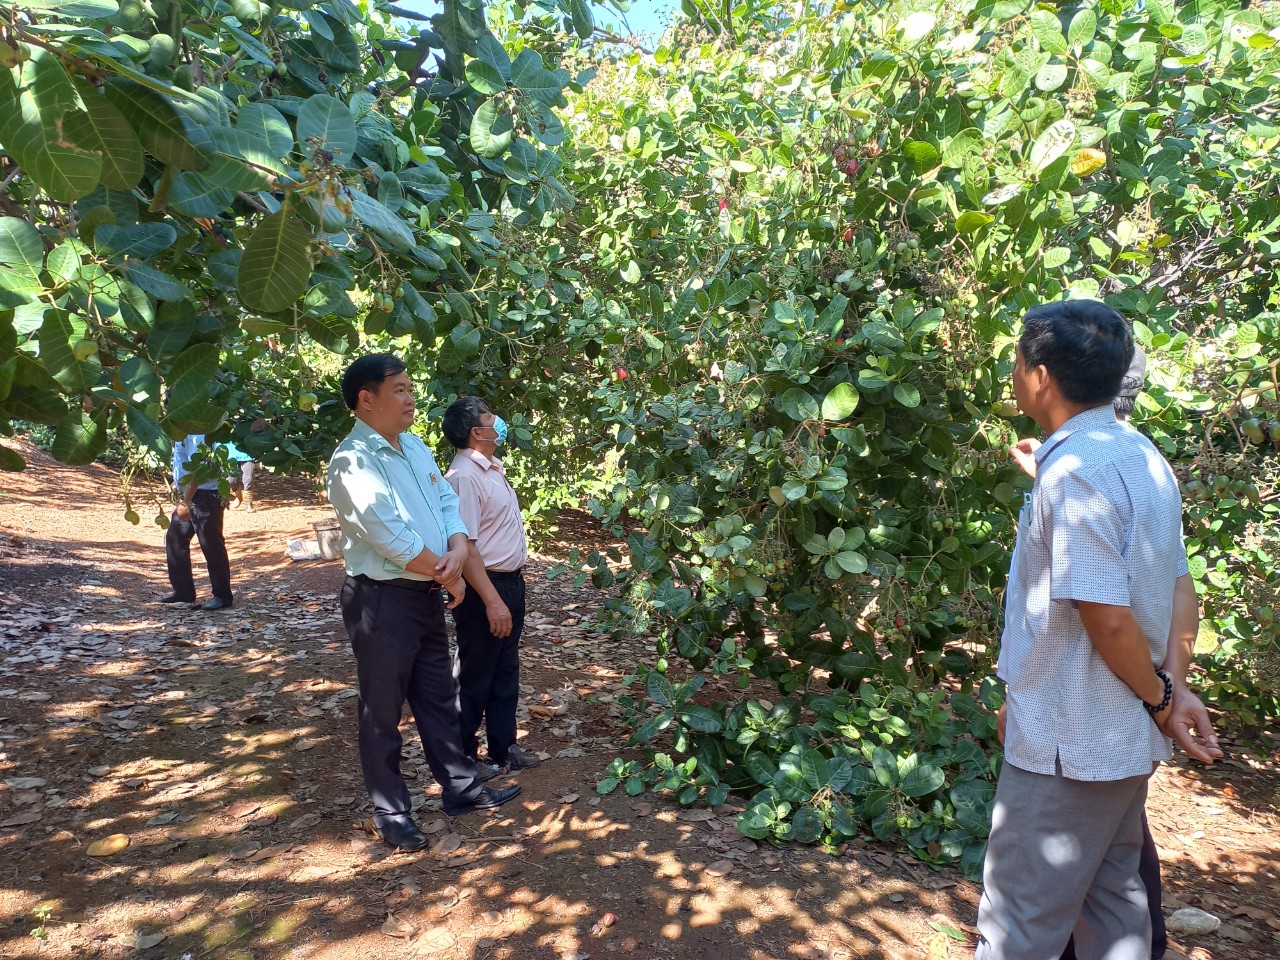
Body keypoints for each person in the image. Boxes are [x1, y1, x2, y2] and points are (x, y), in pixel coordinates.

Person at [976, 301, 1220, 960]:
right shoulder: (1140, 457)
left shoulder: (1076, 472)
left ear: (1042, 377)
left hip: (1069, 741)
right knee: (1115, 905)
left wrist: (1163, 700)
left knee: (1019, 919)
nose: (1016, 370)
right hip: (1120, 743)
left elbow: (1106, 619)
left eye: (1019, 360)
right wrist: (1171, 690)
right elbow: (1178, 588)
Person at [326, 354, 520, 851]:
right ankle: (392, 813)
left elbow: (445, 504)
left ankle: (461, 789)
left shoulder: (413, 447)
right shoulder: (352, 460)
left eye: (411, 388)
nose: (411, 398)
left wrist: (457, 548)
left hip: (425, 592)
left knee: (436, 698)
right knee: (383, 710)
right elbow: (386, 533)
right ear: (366, 399)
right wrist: (448, 573)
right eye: (399, 390)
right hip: (382, 600)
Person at [442, 397, 541, 774]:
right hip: (486, 588)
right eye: (489, 417)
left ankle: (504, 747)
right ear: (475, 431)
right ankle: (462, 756)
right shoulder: (464, 477)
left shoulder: (490, 469)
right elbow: (464, 546)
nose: (497, 421)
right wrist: (491, 600)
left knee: (504, 670)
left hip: (510, 583)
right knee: (474, 673)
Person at [160, 434, 234, 612]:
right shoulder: (183, 433)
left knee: (211, 544)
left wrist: (186, 500)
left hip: (205, 495)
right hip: (193, 494)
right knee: (175, 538)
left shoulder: (196, 434)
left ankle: (222, 596)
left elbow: (200, 468)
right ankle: (183, 591)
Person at [221, 439, 258, 511]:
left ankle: (248, 504)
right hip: (230, 454)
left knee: (248, 479)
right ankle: (239, 497)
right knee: (231, 481)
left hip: (247, 454)